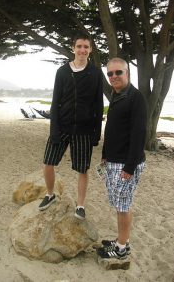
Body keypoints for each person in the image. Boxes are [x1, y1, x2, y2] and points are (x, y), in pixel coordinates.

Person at [38, 33, 104, 220]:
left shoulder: (95, 73)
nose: (82, 50)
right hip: (62, 127)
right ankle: (50, 194)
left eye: (86, 47)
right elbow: (55, 101)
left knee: (83, 169)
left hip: (84, 130)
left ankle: (81, 205)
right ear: (73, 48)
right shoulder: (62, 71)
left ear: (90, 50)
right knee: (48, 163)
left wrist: (96, 133)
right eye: (79, 46)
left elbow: (98, 104)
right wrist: (53, 129)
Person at [96, 57, 147, 260]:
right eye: (110, 73)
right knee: (119, 204)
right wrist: (105, 155)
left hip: (126, 164)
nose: (114, 76)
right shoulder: (117, 96)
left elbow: (139, 134)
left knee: (123, 206)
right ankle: (121, 240)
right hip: (114, 161)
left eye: (118, 72)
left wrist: (130, 167)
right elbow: (112, 130)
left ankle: (121, 249)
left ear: (127, 73)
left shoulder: (136, 98)